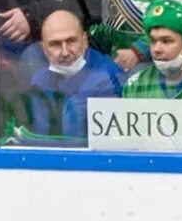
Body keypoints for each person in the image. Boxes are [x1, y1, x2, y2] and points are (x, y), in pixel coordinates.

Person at [22, 9, 125, 142]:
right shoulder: (39, 81)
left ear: (85, 41)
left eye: (71, 41)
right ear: (44, 49)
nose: (65, 52)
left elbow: (112, 145)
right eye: (55, 44)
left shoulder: (110, 78)